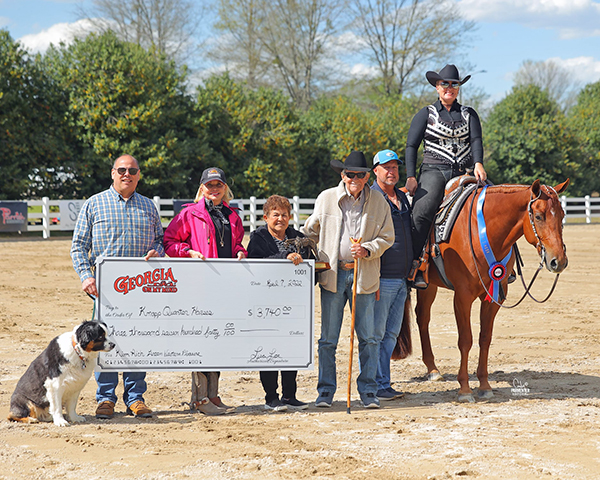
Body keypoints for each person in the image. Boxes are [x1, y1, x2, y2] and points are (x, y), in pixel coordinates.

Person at [71, 154, 164, 420]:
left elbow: (160, 241)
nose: (127, 174)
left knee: (138, 340)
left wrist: (157, 252)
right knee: (103, 340)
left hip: (142, 289)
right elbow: (78, 246)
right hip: (106, 291)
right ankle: (105, 398)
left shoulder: (148, 206)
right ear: (113, 173)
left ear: (138, 175)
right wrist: (85, 276)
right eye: (121, 169)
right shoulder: (94, 204)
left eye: (132, 170)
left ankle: (135, 398)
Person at [301, 151, 394, 409]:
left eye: (360, 175)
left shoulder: (379, 201)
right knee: (328, 339)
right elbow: (310, 231)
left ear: (367, 177)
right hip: (333, 274)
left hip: (363, 275)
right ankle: (325, 393)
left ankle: (368, 392)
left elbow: (388, 237)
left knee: (368, 338)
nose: (355, 178)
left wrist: (368, 249)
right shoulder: (327, 198)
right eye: (350, 174)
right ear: (343, 175)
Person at [163, 167, 247, 415]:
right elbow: (170, 242)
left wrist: (240, 250)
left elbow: (237, 242)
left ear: (224, 188)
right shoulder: (188, 214)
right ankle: (200, 398)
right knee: (202, 338)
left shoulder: (233, 215)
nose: (214, 189)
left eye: (218, 185)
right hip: (199, 285)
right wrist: (188, 252)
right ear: (202, 188)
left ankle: (213, 394)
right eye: (209, 185)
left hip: (225, 284)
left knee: (218, 338)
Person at [405, 64, 487, 288]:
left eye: (454, 84)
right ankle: (416, 265)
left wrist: (478, 162)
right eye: (445, 84)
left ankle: (506, 265)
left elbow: (476, 141)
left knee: (495, 204)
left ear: (459, 88)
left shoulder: (469, 114)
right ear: (437, 87)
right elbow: (411, 146)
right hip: (434, 170)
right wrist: (411, 177)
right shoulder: (425, 114)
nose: (449, 88)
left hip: (465, 171)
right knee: (422, 211)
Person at [247, 195, 313, 412]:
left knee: (291, 347)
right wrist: (283, 256)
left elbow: (310, 266)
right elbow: (254, 263)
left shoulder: (299, 237)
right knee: (268, 349)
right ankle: (270, 397)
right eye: (275, 214)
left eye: (284, 215)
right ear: (266, 217)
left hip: (293, 302)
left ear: (290, 217)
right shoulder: (258, 237)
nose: (280, 219)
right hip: (265, 303)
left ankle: (290, 395)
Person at [370, 149, 413, 401]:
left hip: (401, 278)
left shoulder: (402, 198)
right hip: (382, 277)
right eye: (386, 167)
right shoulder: (372, 198)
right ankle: (375, 384)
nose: (391, 171)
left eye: (395, 167)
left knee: (390, 335)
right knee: (376, 334)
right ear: (375, 171)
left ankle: (383, 383)